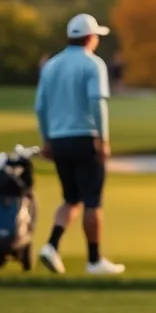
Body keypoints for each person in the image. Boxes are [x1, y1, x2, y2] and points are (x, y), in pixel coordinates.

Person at [35, 14, 126, 276]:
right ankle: (94, 260)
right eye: (96, 35)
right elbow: (98, 103)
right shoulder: (93, 64)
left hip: (59, 140)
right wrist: (104, 140)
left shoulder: (51, 65)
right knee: (92, 202)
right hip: (86, 138)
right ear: (89, 38)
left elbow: (40, 107)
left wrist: (47, 139)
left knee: (71, 198)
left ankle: (51, 246)